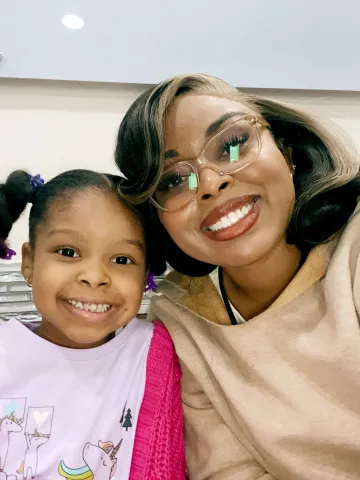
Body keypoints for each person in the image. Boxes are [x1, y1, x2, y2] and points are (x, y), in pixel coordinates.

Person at [114, 73, 360, 479]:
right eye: (174, 180)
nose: (211, 183)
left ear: (287, 150)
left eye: (232, 144)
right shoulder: (180, 320)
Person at [0, 169, 185, 480]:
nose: (95, 276)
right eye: (68, 252)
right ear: (29, 263)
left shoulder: (154, 353)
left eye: (122, 260)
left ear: (145, 278)